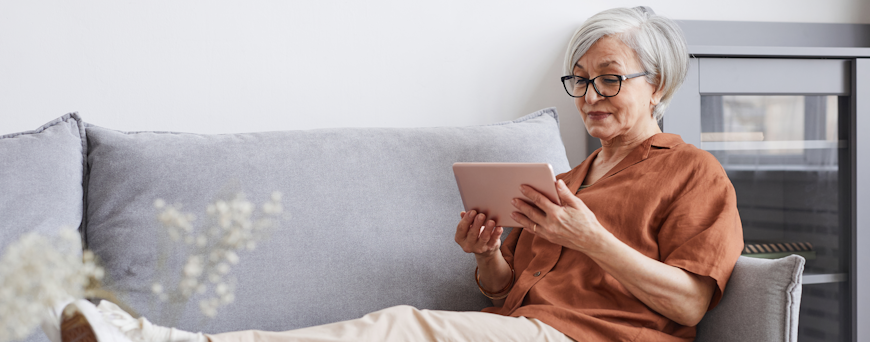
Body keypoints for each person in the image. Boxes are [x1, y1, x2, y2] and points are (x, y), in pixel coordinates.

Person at [52, 6, 742, 342]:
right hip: (529, 331)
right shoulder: (567, 178)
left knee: (402, 328)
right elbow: (508, 297)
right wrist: (489, 256)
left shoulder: (693, 173)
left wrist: (590, 238)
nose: (590, 96)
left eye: (609, 79)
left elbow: (688, 304)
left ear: (659, 85)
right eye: (581, 80)